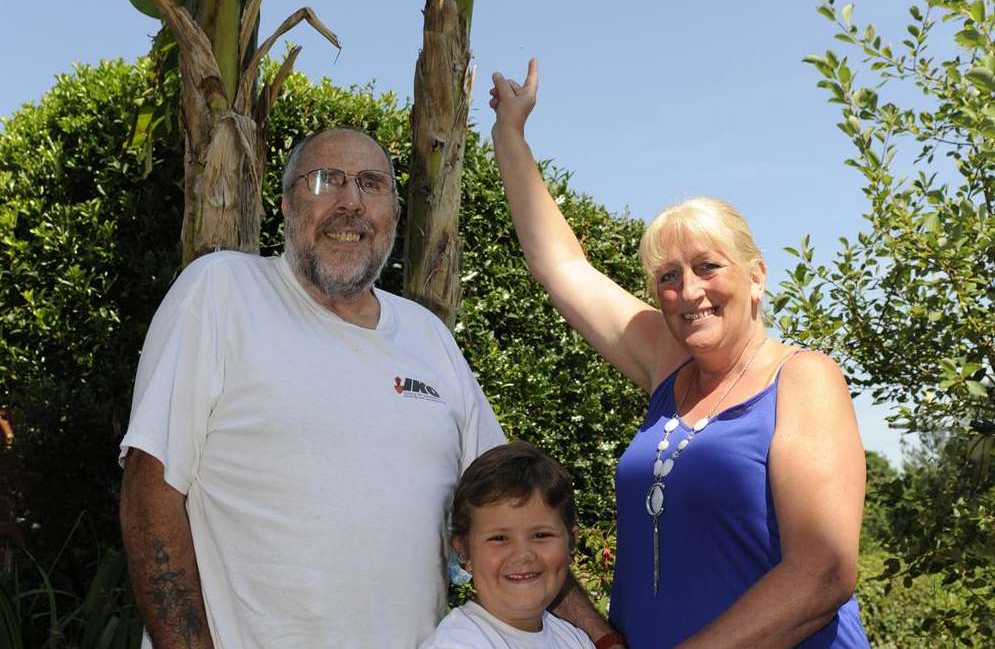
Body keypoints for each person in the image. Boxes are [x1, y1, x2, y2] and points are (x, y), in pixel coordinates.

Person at [489, 60, 872, 649]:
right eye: (668, 276)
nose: (688, 291)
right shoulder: (669, 365)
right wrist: (510, 136)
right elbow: (561, 266)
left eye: (708, 267)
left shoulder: (804, 380)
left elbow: (823, 573)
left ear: (756, 276)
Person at [118, 127, 508, 649]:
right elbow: (151, 493)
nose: (351, 202)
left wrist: (599, 635)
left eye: (372, 184)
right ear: (286, 205)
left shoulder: (428, 336)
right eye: (326, 181)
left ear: (393, 213)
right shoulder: (221, 290)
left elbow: (515, 507)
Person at [420, 442, 604, 649]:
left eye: (541, 535)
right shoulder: (457, 644)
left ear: (571, 541)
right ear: (464, 551)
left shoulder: (575, 640)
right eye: (499, 538)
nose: (523, 554)